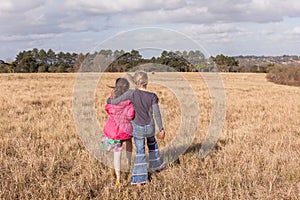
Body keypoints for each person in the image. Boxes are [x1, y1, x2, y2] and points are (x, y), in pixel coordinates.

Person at [107, 71, 165, 186]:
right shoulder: (153, 96)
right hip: (150, 127)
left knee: (140, 152)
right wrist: (161, 128)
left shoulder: (131, 94)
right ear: (146, 82)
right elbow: (157, 114)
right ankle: (158, 166)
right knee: (152, 144)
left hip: (138, 128)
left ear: (135, 82)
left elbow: (116, 101)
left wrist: (109, 99)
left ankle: (139, 180)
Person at [100, 78, 134, 186]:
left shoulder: (111, 99)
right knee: (129, 141)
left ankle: (118, 179)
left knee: (117, 155)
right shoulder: (129, 100)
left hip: (114, 131)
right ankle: (129, 163)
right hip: (126, 130)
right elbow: (131, 115)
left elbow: (108, 109)